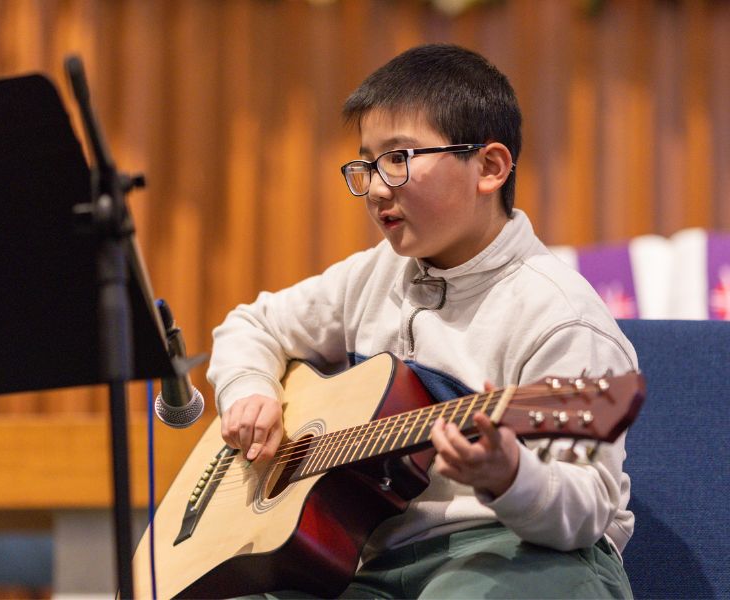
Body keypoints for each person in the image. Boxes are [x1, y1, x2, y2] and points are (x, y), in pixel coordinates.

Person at [207, 43, 636, 599]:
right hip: (378, 565)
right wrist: (249, 391)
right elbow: (252, 325)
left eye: (399, 158)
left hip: (522, 554)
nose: (378, 187)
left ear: (489, 167)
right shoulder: (372, 275)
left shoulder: (561, 316)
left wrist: (512, 476)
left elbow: (589, 510)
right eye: (366, 164)